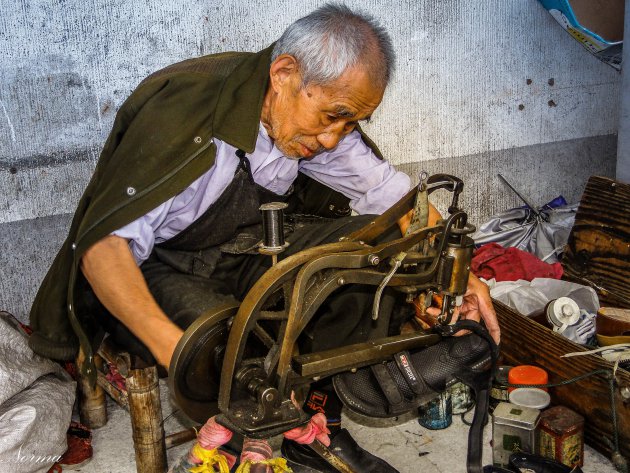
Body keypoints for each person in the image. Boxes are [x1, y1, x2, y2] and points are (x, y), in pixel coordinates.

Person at [29, 3, 500, 472]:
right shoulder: (186, 112)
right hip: (160, 264)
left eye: (351, 123)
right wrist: (178, 352)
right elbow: (103, 248)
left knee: (367, 255)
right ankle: (232, 449)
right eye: (332, 116)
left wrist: (459, 273)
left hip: (247, 245)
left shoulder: (306, 123)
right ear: (284, 73)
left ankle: (319, 424)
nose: (334, 139)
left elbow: (393, 196)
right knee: (222, 338)